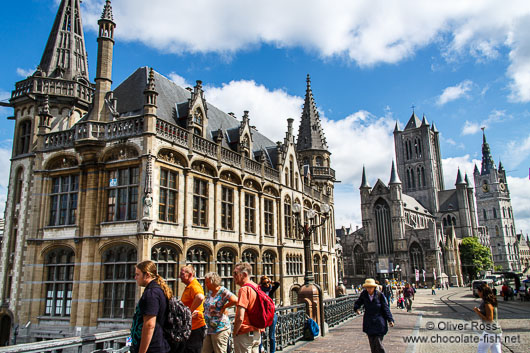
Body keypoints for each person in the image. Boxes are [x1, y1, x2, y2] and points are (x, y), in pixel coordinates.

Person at [130, 260, 171, 353]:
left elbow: (149, 325)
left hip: (152, 347)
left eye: (138, 274)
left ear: (147, 275)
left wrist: (142, 351)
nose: (135, 277)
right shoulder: (156, 290)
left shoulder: (151, 294)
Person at [354, 278, 395, 353]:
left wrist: (390, 319)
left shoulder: (379, 295)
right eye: (367, 287)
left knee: (378, 343)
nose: (369, 289)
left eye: (370, 287)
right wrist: (357, 309)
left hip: (379, 321)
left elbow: (385, 308)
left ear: (374, 287)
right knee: (372, 344)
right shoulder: (364, 294)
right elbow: (358, 303)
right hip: (369, 322)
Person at [201, 272, 238, 353]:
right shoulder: (210, 292)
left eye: (207, 282)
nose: (205, 284)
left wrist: (224, 307)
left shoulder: (223, 291)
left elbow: (235, 300)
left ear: (213, 282)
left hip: (220, 328)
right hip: (209, 328)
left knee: (220, 351)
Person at [233, 262, 262, 353]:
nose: (233, 276)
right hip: (257, 333)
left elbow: (240, 317)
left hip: (245, 334)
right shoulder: (256, 287)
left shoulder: (244, 290)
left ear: (244, 274)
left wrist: (235, 333)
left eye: (235, 273)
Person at [179, 266, 207, 353]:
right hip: (191, 326)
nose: (180, 276)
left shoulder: (194, 286)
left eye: (182, 274)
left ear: (190, 274)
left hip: (196, 326)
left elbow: (200, 297)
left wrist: (189, 312)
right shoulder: (189, 286)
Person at [473, 284, 502, 353]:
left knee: (481, 350)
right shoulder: (492, 301)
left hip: (490, 332)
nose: (478, 293)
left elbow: (489, 319)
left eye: (479, 291)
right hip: (497, 331)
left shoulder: (487, 303)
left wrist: (478, 312)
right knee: (496, 349)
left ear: (482, 292)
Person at [259, 276, 280, 353]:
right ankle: (261, 349)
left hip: (271, 314)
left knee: (271, 336)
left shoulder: (271, 290)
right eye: (264, 283)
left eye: (267, 282)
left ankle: (272, 351)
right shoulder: (260, 291)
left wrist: (271, 282)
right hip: (263, 314)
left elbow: (278, 284)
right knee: (260, 334)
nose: (267, 284)